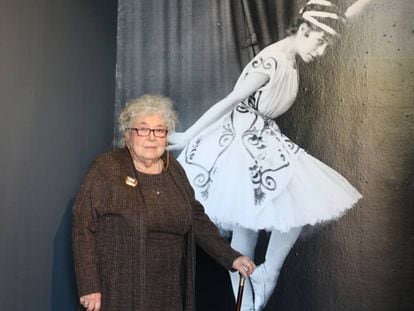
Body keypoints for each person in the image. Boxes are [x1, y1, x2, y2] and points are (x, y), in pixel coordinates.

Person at [169, 1, 373, 310]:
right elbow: (231, 99)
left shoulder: (292, 53)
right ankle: (253, 291)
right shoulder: (273, 61)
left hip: (260, 134)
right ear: (304, 30)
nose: (320, 53)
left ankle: (256, 289)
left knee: (261, 217)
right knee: (265, 214)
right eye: (320, 43)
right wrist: (188, 134)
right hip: (241, 138)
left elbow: (345, 16)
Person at [72, 94, 256, 311]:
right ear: (127, 136)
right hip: (120, 288)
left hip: (170, 289)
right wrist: (89, 286)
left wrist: (231, 257)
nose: (152, 137)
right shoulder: (106, 169)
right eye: (143, 129)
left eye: (159, 130)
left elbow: (195, 218)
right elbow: (83, 226)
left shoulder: (174, 170)